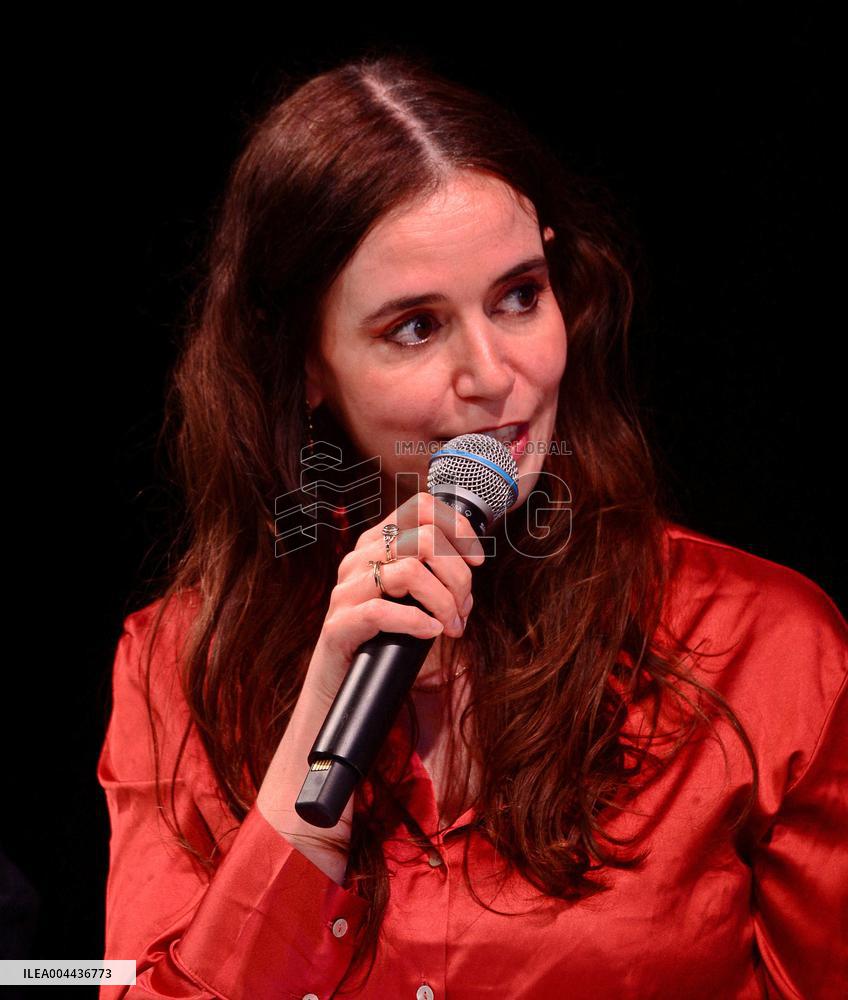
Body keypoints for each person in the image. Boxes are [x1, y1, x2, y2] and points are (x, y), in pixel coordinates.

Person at [98, 52, 847, 999]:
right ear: (304, 366)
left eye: (519, 296)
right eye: (416, 326)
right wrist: (311, 765)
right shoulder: (177, 662)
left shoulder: (769, 649)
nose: (493, 375)